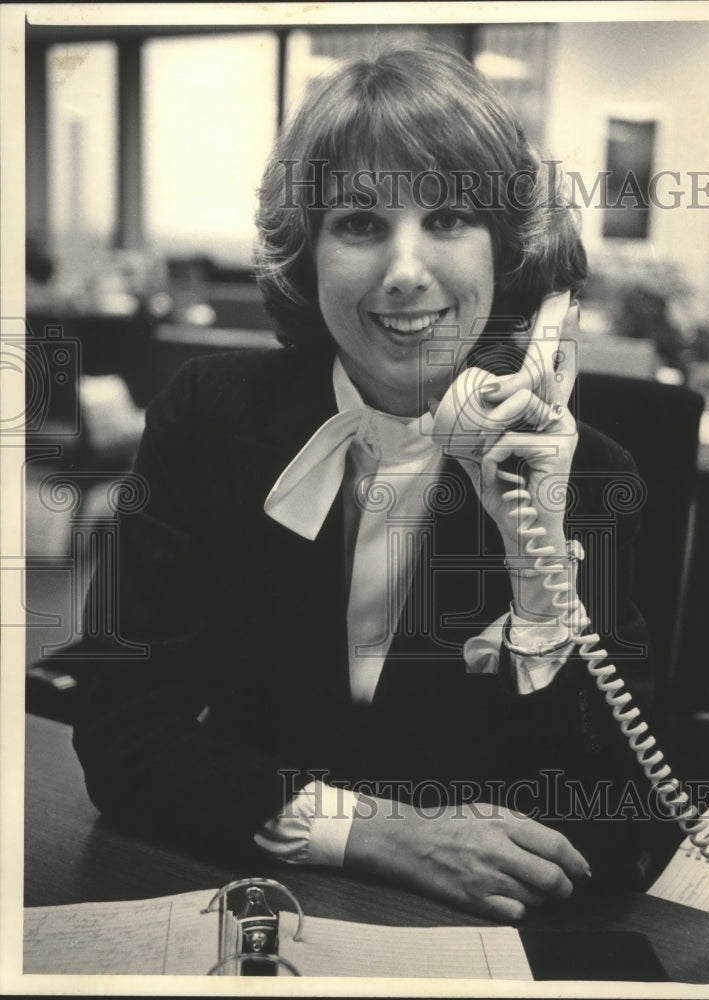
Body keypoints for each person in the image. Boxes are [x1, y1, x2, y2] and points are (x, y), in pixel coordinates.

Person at [73, 45, 653, 922]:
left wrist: (539, 585)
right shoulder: (207, 418)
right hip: (253, 907)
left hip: (472, 943)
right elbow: (121, 734)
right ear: (305, 255)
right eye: (359, 223)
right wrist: (369, 829)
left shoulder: (588, 473)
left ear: (510, 255)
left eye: (450, 217)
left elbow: (616, 834)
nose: (405, 270)